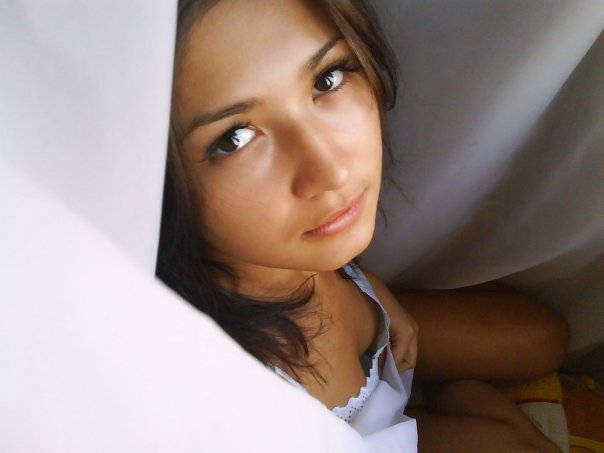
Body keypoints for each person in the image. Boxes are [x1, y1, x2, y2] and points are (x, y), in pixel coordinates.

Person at [157, 0, 569, 451]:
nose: (332, 172)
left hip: (379, 358)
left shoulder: (283, 249)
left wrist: (369, 288)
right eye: (234, 138)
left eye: (327, 79)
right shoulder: (235, 391)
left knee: (545, 339)